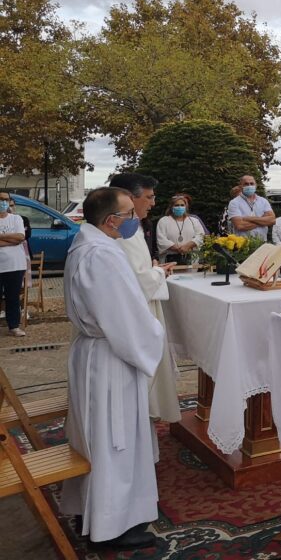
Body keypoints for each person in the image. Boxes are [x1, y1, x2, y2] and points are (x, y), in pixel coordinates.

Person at [62, 187, 166, 550]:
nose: (135, 220)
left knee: (97, 437)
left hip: (96, 353)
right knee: (113, 441)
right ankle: (111, 528)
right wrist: (155, 337)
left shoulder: (89, 245)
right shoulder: (102, 255)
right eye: (129, 214)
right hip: (110, 358)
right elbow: (124, 318)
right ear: (111, 221)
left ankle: (90, 511)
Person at [108, 173, 180, 425]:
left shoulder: (133, 226)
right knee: (142, 387)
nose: (153, 202)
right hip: (135, 314)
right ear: (129, 198)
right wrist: (159, 271)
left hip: (142, 308)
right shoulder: (123, 232)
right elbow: (137, 281)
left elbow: (137, 269)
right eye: (148, 197)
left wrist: (153, 268)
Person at [0, 190, 27, 337]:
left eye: (5, 199)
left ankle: (14, 326)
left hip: (15, 265)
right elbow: (15, 239)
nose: (3, 202)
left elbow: (20, 237)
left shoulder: (16, 219)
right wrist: (11, 240)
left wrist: (2, 237)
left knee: (13, 297)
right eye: (0, 199)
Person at [155, 194, 205, 264]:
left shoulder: (194, 221)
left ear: (186, 207)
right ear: (171, 207)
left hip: (191, 259)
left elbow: (200, 236)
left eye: (182, 205)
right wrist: (178, 249)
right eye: (176, 205)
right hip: (169, 259)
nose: (179, 207)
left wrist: (188, 246)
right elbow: (161, 240)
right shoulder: (163, 221)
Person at [227, 175, 275, 241]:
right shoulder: (234, 203)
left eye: (252, 183)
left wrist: (249, 218)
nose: (249, 185)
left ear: (256, 185)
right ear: (241, 186)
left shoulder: (263, 201)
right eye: (246, 184)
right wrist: (262, 220)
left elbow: (272, 220)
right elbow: (240, 226)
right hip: (243, 244)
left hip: (262, 243)